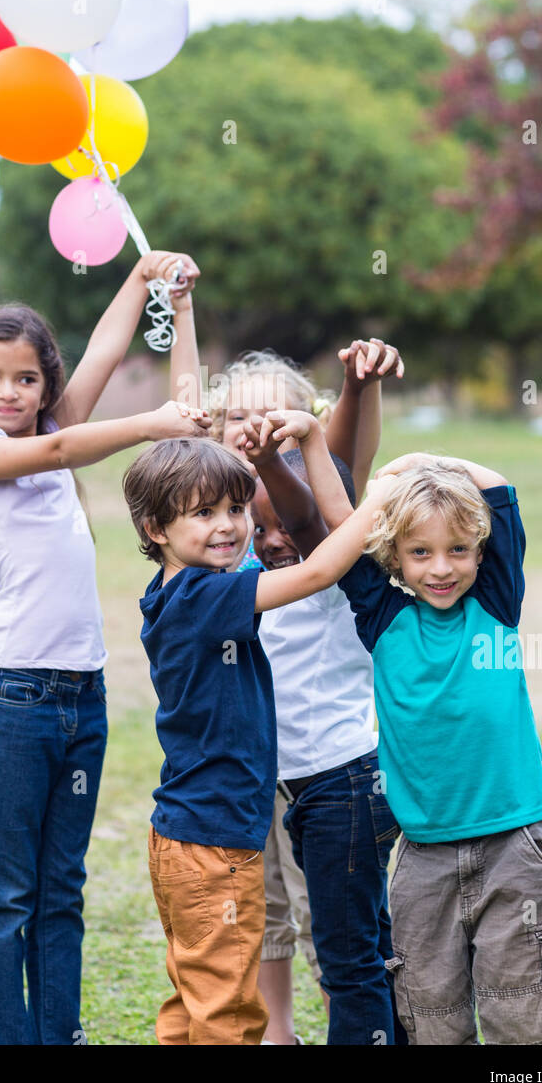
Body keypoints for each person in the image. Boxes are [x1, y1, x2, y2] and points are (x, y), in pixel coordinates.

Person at [0, 251, 210, 1045]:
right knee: (6, 894)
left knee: (61, 887)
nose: (9, 393)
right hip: (15, 696)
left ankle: (59, 1035)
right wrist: (152, 424)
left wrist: (143, 278)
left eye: (26, 379)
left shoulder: (53, 422)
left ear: (44, 386)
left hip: (82, 697)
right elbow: (60, 454)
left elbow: (104, 355)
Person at [254, 423, 542, 1047]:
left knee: (528, 1009)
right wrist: (312, 444)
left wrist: (426, 460)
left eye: (459, 550)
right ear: (394, 556)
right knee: (429, 1014)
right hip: (421, 857)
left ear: (481, 555)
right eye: (421, 553)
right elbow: (334, 522)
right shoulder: (382, 617)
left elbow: (498, 490)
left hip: (512, 847)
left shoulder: (494, 603)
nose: (442, 568)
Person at [121, 425, 397, 1045]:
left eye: (236, 509)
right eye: (203, 513)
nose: (229, 526)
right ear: (154, 529)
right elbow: (320, 568)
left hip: (190, 836)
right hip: (213, 843)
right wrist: (376, 505)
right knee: (227, 1014)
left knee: (197, 994)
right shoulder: (203, 594)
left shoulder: (177, 590)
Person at [179, 327, 402, 1041]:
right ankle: (278, 1034)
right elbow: (180, 422)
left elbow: (339, 454)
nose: (255, 426)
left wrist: (360, 386)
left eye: (274, 413)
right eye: (239, 414)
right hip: (250, 760)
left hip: (326, 766)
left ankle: (352, 1020)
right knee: (260, 907)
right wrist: (181, 312)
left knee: (326, 912)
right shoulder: (215, 527)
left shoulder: (319, 512)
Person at [242, 430, 407, 1046]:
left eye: (280, 523)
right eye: (260, 528)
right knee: (368, 946)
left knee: (348, 963)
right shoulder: (269, 585)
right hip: (310, 792)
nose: (272, 539)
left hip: (345, 788)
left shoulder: (334, 574)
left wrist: (265, 460)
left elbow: (310, 517)